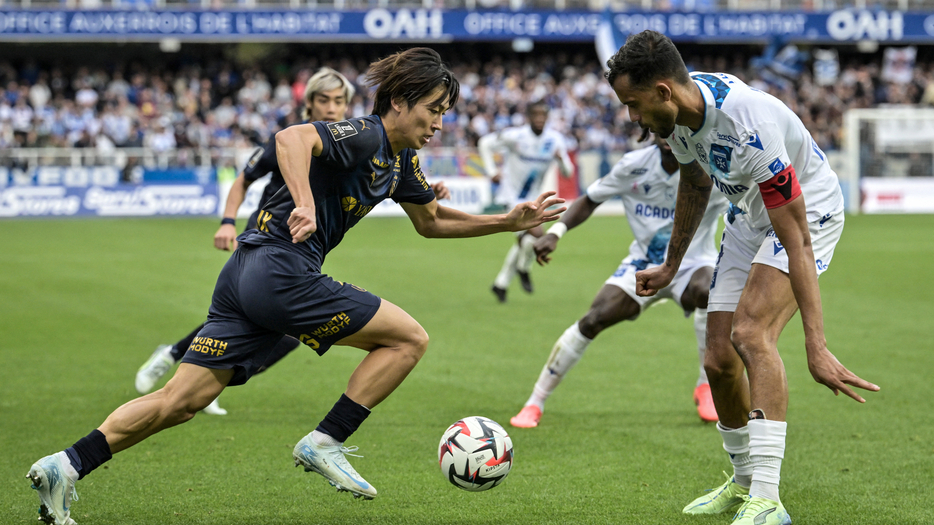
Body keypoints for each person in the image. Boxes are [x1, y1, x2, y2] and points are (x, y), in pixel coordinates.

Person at [26, 47, 565, 525]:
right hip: (281, 270)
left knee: (179, 401)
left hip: (245, 276)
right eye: (433, 110)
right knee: (408, 339)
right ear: (399, 101)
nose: (440, 124)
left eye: (444, 113)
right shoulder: (367, 132)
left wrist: (506, 221)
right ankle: (326, 439)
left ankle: (65, 465)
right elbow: (291, 137)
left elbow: (432, 221)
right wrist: (304, 203)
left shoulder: (400, 160)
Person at [606, 31, 879, 525]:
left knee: (752, 333)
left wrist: (815, 343)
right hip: (748, 215)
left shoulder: (746, 126)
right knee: (717, 359)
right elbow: (694, 182)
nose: (632, 117)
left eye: (634, 104)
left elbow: (795, 237)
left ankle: (770, 500)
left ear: (664, 91)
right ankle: (745, 481)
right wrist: (671, 265)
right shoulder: (676, 118)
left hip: (806, 214)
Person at [134, 68, 450, 416]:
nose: (332, 108)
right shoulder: (294, 139)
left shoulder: (350, 142)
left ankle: (207, 376)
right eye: (324, 100)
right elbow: (244, 179)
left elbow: (374, 180)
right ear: (309, 103)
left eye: (340, 101)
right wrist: (228, 222)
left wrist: (420, 193)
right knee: (264, 317)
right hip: (267, 240)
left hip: (302, 245)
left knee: (279, 333)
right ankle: (178, 356)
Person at [509, 133, 727, 429]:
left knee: (711, 291)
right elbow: (590, 199)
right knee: (593, 319)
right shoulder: (634, 165)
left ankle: (706, 386)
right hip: (642, 264)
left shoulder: (710, 169)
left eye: (678, 127)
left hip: (693, 264)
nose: (670, 134)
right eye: (665, 127)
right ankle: (535, 402)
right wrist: (555, 233)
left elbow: (747, 203)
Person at [478, 101, 574, 303]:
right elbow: (485, 143)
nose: (540, 119)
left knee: (525, 242)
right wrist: (492, 171)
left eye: (543, 115)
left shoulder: (554, 140)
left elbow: (568, 172)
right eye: (536, 115)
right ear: (529, 117)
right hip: (511, 197)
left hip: (534, 200)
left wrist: (561, 160)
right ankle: (524, 268)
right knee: (538, 236)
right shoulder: (516, 136)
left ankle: (501, 284)